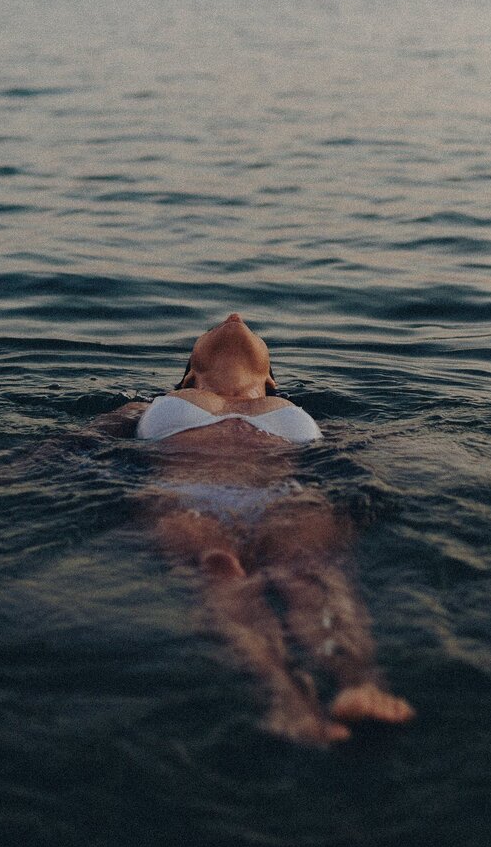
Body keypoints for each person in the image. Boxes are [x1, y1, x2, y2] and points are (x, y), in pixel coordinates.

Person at [96, 313, 415, 746]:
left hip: (283, 498)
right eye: (212, 328)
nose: (234, 318)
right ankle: (285, 697)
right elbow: (70, 446)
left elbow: (371, 446)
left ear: (270, 381)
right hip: (186, 497)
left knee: (307, 567)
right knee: (219, 567)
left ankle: (358, 683)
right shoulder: (143, 406)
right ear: (190, 375)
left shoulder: (298, 412)